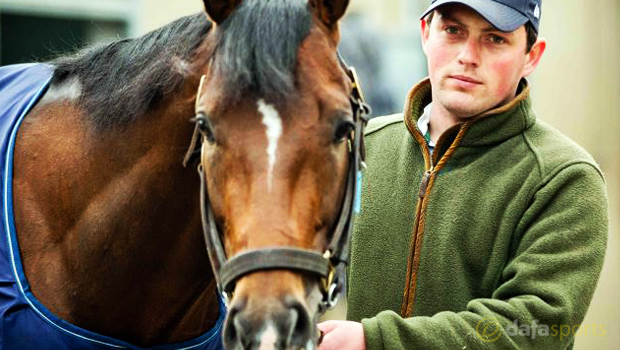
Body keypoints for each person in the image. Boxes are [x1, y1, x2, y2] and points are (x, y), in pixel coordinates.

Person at [318, 0, 609, 349]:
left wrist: (377, 341)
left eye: (495, 39)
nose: (468, 56)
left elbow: (535, 329)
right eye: (453, 31)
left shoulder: (564, 178)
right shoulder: (364, 146)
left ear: (532, 56)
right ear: (426, 33)